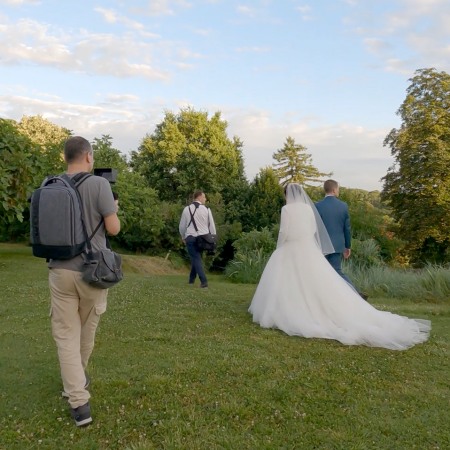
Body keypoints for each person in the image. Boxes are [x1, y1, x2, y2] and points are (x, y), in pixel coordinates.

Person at [248, 183, 431, 350]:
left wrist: (282, 245)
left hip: (292, 247)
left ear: (287, 195)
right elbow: (313, 230)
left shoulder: (286, 209)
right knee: (318, 279)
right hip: (307, 247)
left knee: (287, 279)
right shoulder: (307, 208)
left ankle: (288, 309)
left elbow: (284, 231)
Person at [47, 136, 120, 426]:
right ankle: (78, 388)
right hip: (92, 272)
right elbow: (113, 229)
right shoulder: (99, 185)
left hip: (59, 271)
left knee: (66, 335)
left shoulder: (51, 185)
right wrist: (114, 207)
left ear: (66, 157)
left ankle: (78, 401)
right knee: (85, 333)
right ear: (88, 156)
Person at [315, 179, 355, 287]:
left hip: (321, 245)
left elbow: (315, 227)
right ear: (334, 189)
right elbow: (346, 228)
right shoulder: (343, 206)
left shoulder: (317, 206)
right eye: (338, 189)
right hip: (337, 245)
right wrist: (348, 246)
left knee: (321, 272)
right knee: (337, 270)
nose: (339, 191)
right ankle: (354, 293)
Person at [179, 190, 216, 288]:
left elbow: (182, 226)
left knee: (196, 258)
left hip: (190, 237)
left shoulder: (187, 209)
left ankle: (204, 282)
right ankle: (191, 280)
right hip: (203, 239)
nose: (205, 199)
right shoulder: (207, 209)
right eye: (204, 197)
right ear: (199, 197)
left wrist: (183, 236)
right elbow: (211, 225)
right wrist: (213, 237)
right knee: (197, 258)